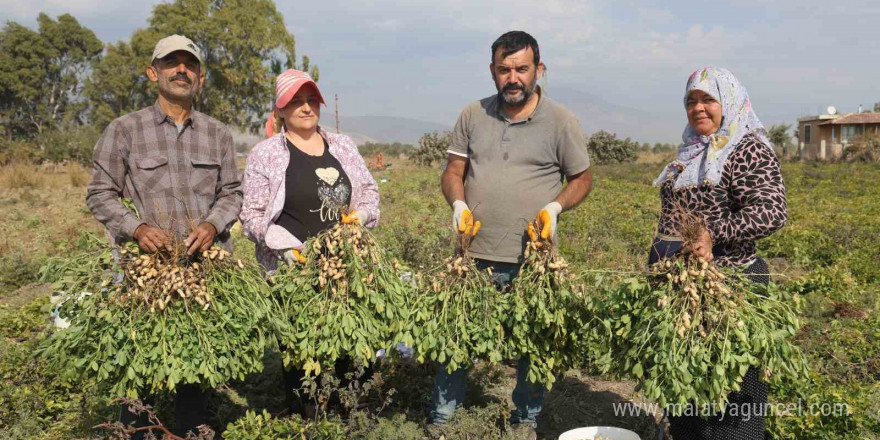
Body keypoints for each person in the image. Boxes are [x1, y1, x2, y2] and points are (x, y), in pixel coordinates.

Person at [436, 31, 593, 440]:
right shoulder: (473, 114)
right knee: (457, 337)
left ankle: (526, 420)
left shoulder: (561, 121)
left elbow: (581, 178)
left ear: (539, 70)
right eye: (504, 69)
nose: (513, 77)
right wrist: (458, 204)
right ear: (492, 71)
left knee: (532, 343)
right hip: (472, 255)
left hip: (534, 260)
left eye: (522, 69)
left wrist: (556, 207)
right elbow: (453, 171)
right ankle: (444, 418)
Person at [86, 34, 243, 437]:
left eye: (189, 65)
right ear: (152, 73)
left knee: (193, 365)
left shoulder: (218, 134)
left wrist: (212, 225)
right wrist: (136, 228)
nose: (181, 70)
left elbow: (232, 193)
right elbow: (100, 194)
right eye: (171, 63)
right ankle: (136, 429)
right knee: (137, 365)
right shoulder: (124, 130)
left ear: (201, 78)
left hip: (200, 273)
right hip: (145, 275)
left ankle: (192, 429)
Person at [649, 66, 788, 439]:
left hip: (734, 284)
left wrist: (714, 233)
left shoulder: (747, 148)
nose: (698, 108)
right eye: (691, 101)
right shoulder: (689, 151)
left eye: (708, 99)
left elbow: (772, 212)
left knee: (733, 394)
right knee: (688, 390)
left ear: (728, 102)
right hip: (687, 286)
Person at [239, 69, 380, 414]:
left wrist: (360, 216)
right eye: (295, 102)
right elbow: (252, 214)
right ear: (280, 111)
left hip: (347, 265)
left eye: (310, 100)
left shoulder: (343, 145)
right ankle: (308, 419)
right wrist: (284, 247)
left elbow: (370, 192)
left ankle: (353, 416)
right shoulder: (266, 154)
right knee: (303, 356)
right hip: (294, 274)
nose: (305, 108)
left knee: (353, 348)